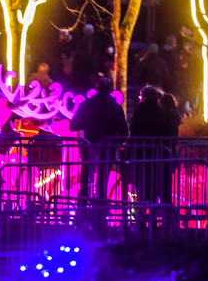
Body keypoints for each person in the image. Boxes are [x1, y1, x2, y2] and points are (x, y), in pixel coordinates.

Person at [70, 77, 129, 216]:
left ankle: (83, 206)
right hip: (107, 148)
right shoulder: (115, 107)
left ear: (97, 88)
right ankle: (101, 208)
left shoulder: (86, 105)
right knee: (103, 177)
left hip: (88, 145)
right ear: (111, 89)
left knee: (85, 176)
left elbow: (74, 125)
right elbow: (124, 132)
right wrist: (115, 142)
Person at [129, 85, 181, 228]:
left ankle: (143, 223)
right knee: (163, 191)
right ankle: (167, 224)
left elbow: (134, 131)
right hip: (161, 158)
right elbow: (170, 133)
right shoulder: (162, 112)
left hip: (143, 158)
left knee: (144, 191)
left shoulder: (140, 111)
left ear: (143, 97)